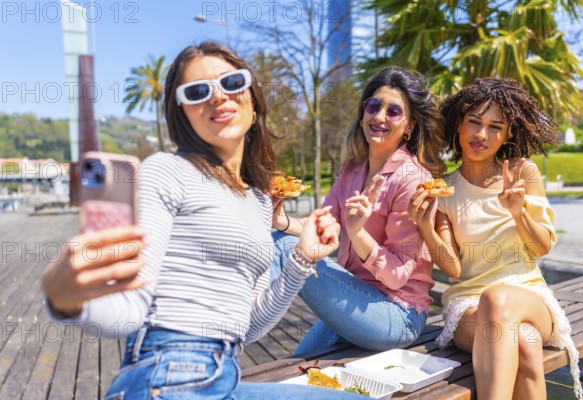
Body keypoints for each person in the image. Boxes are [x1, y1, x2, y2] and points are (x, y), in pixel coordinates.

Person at [42, 42, 366, 400]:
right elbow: (131, 310)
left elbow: (250, 325)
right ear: (183, 114)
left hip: (222, 375)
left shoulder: (258, 199)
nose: (217, 96)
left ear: (253, 99)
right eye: (197, 92)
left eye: (231, 82)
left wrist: (301, 261)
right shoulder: (167, 171)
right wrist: (68, 301)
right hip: (167, 375)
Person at [408, 78, 582, 399]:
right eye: (474, 121)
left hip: (528, 298)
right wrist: (426, 227)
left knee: (499, 297)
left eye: (495, 126)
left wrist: (518, 211)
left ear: (506, 135)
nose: (482, 134)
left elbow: (542, 246)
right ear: (458, 123)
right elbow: (455, 270)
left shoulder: (522, 172)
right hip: (468, 308)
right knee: (526, 343)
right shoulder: (442, 188)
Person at [270, 67, 447, 355]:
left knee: (285, 247)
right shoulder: (352, 170)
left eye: (393, 112)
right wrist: (280, 219)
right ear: (363, 112)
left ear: (410, 125)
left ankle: (233, 328)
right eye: (373, 106)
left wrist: (357, 232)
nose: (379, 117)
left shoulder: (413, 180)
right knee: (296, 367)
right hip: (354, 298)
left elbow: (399, 275)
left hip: (396, 315)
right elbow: (321, 227)